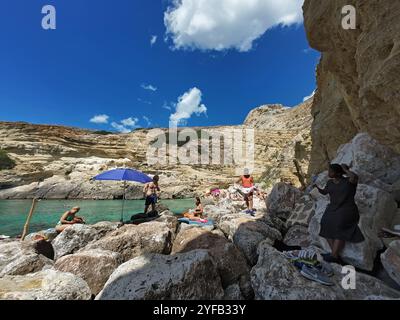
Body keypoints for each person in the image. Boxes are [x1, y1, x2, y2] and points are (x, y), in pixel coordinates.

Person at [313, 164, 365, 263]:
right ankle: (335, 255)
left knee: (339, 225)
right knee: (325, 223)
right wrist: (317, 187)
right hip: (333, 208)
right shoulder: (330, 182)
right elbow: (324, 192)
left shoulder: (348, 182)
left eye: (331, 171)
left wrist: (345, 170)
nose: (328, 173)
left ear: (337, 173)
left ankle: (333, 255)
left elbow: (354, 177)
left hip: (347, 209)